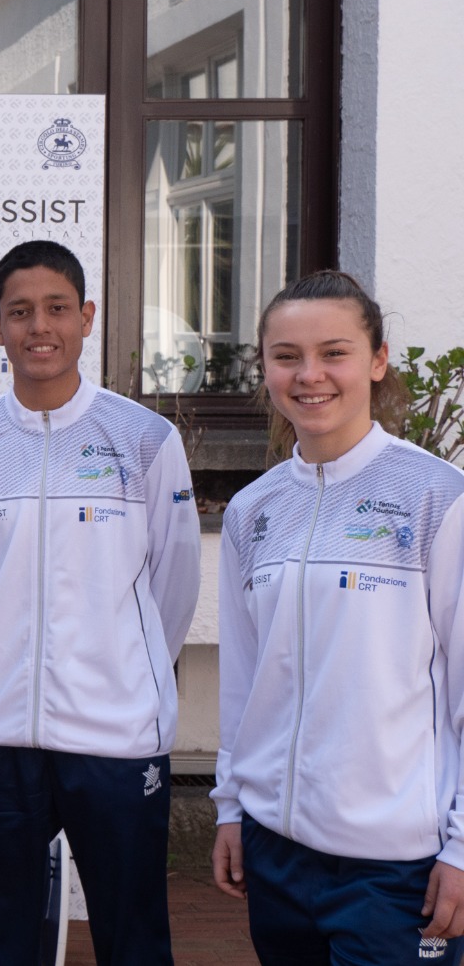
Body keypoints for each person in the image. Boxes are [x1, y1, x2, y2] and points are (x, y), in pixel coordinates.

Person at [0, 239, 200, 965]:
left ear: (86, 316)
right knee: (1, 934)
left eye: (55, 309)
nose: (38, 327)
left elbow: (172, 582)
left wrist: (127, 671)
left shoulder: (143, 438)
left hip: (114, 737)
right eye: (20, 312)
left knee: (131, 934)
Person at [211, 271, 464, 963]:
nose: (309, 374)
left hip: (395, 866)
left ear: (377, 360)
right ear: (264, 367)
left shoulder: (437, 498)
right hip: (275, 850)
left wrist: (463, 847)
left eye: (335, 352)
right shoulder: (252, 510)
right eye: (287, 355)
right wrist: (232, 808)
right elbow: (243, 683)